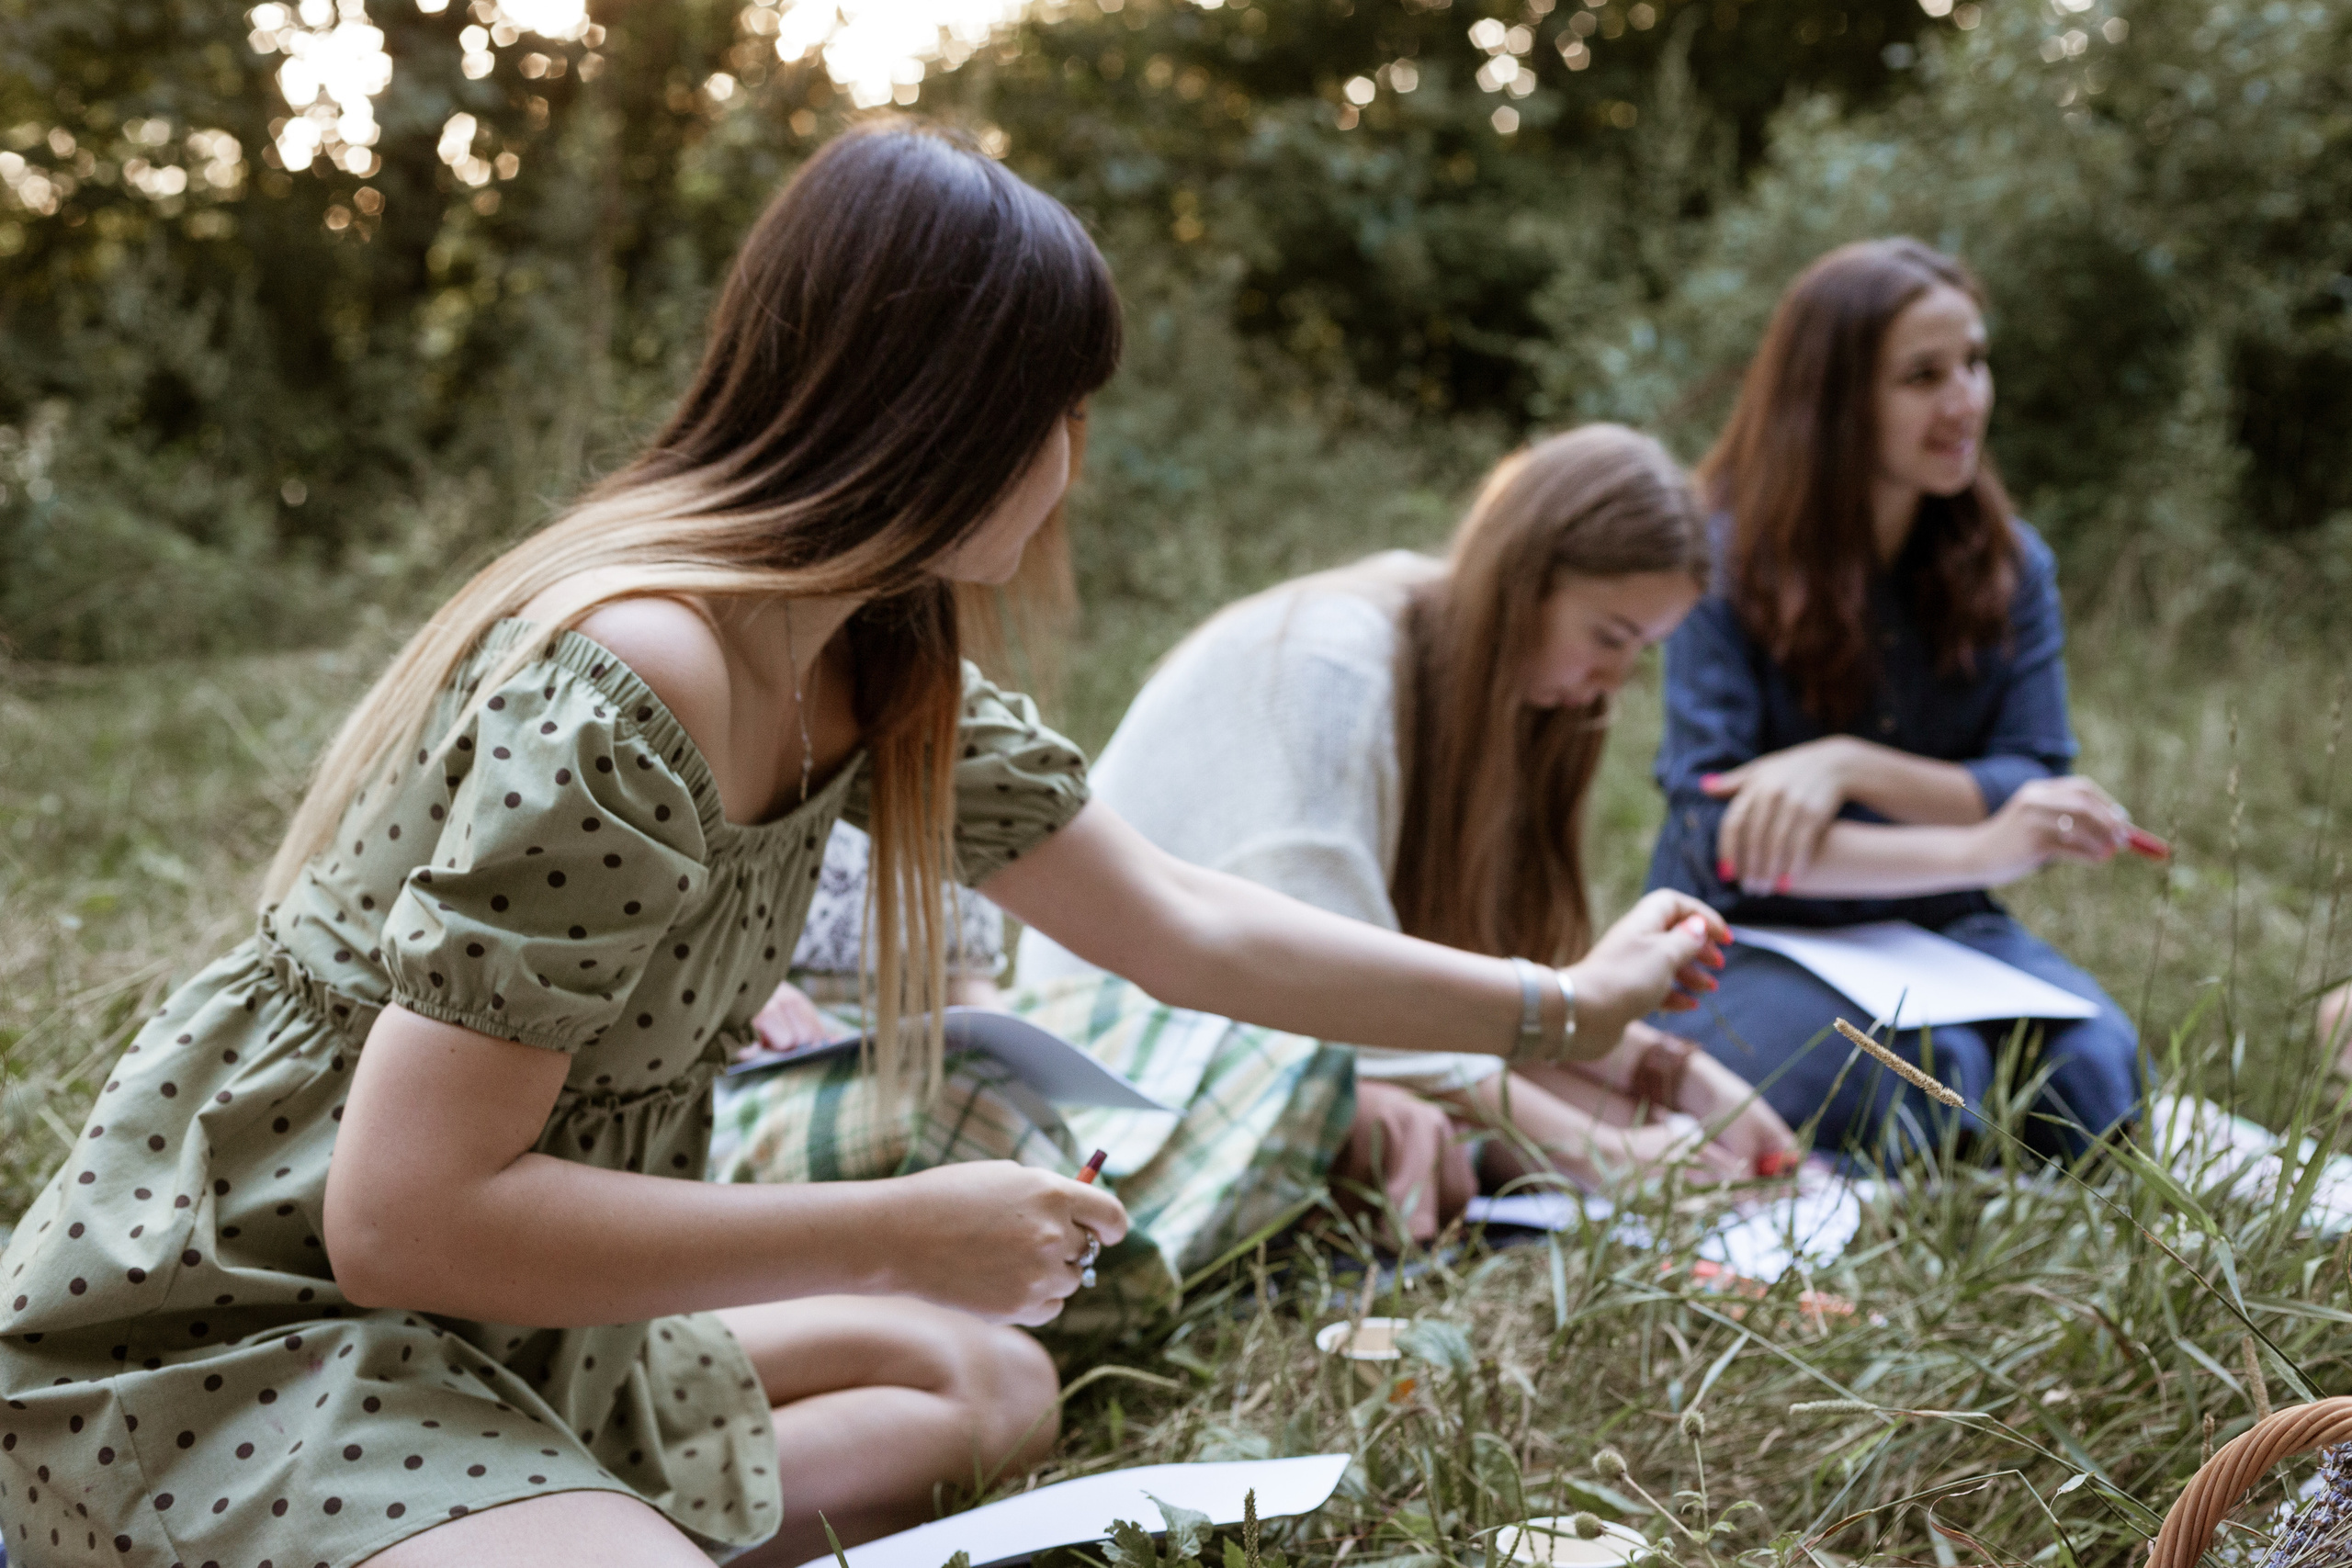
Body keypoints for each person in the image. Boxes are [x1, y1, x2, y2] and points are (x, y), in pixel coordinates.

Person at [0, 124, 1731, 1568]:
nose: (1071, 463)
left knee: (994, 1389)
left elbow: (1185, 922)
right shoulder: (639, 673)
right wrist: (891, 1226)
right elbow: (399, 1216)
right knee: (894, 1354)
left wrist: (1558, 1004)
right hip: (258, 1323)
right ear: (932, 409)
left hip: (508, 1324)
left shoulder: (873, 662)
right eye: (1056, 411)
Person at [1018, 423, 1799, 1235]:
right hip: (1130, 1047)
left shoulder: (1500, 692)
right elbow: (1329, 992)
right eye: (1607, 637)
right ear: (1524, 578)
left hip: (1270, 1024)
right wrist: (1599, 1148)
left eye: (1641, 652)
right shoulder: (1333, 665)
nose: (1613, 683)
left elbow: (1468, 992)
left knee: (1527, 1118)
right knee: (1420, 1136)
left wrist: (1676, 1074)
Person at [1643, 236, 2145, 1167]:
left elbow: (2032, 776)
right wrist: (1976, 843)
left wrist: (1846, 765)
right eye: (1923, 376)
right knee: (1920, 1074)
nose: (1965, 401)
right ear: (1834, 399)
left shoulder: (2009, 563)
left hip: (1942, 927)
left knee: (2094, 1075)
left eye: (1973, 363)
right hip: (1741, 935)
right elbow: (1731, 841)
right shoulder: (1720, 557)